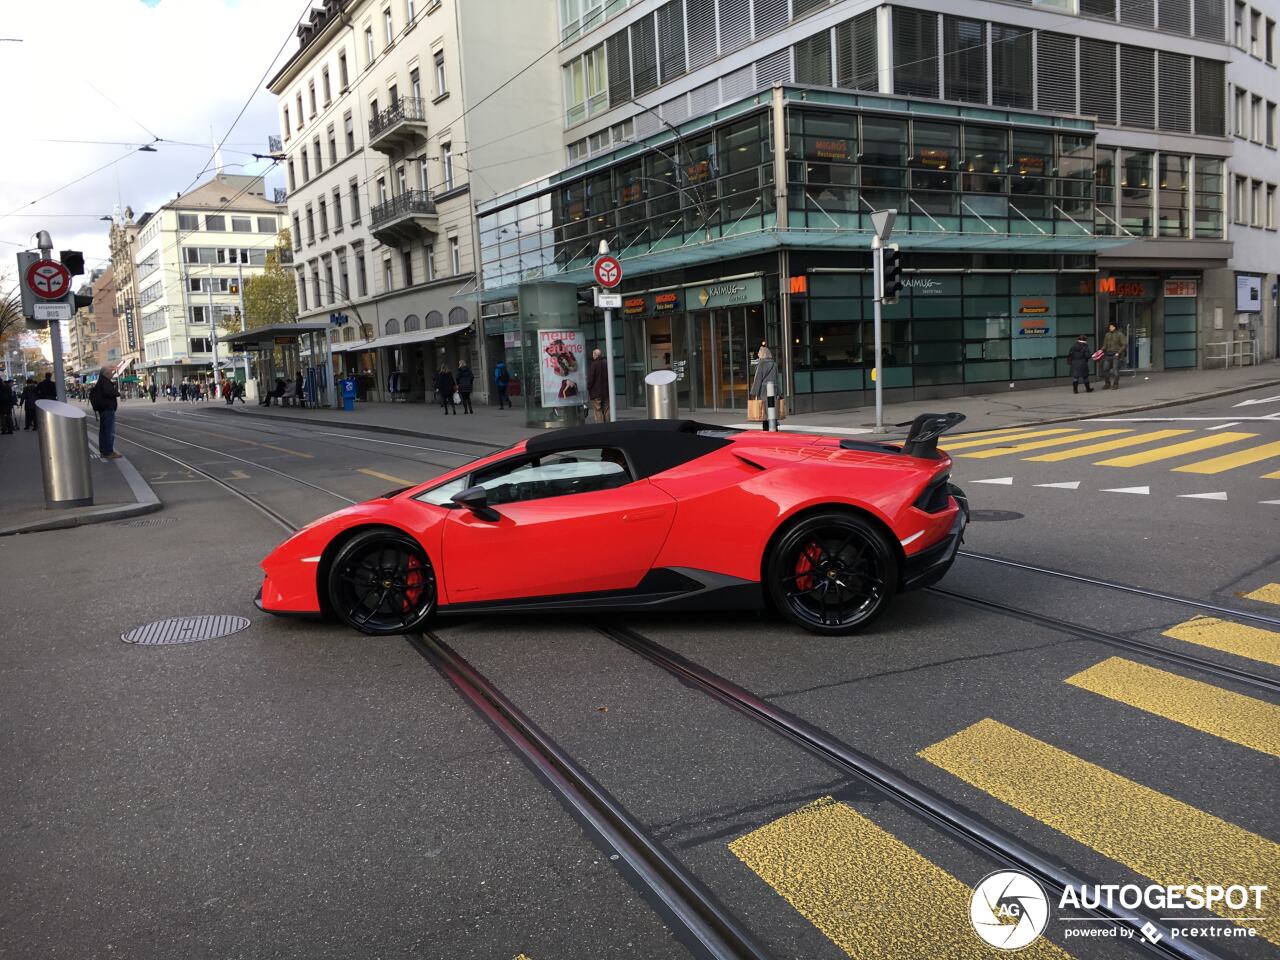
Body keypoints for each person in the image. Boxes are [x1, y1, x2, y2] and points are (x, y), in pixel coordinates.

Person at [89, 365, 121, 459]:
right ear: (106, 374)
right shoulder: (105, 382)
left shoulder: (100, 382)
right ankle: (109, 452)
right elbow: (108, 392)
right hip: (107, 409)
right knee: (109, 431)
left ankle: (103, 451)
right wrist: (117, 393)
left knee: (103, 431)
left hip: (103, 409)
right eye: (110, 372)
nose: (112, 373)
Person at [748, 345, 782, 430]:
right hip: (773, 389)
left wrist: (754, 392)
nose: (758, 354)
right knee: (772, 407)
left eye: (759, 352)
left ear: (763, 354)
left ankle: (766, 427)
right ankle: (774, 425)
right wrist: (779, 392)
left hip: (763, 390)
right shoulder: (774, 364)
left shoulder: (761, 364)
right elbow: (777, 379)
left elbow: (758, 379)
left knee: (764, 409)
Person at [1101, 321, 1127, 389]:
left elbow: (1124, 345)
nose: (1109, 328)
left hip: (1116, 355)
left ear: (1114, 327)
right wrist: (1101, 350)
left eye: (1111, 326)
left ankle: (1115, 384)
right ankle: (1107, 383)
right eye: (1109, 327)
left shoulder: (1120, 334)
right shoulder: (1107, 334)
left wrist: (1118, 352)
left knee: (1115, 370)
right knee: (1105, 369)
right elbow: (1105, 345)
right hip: (1108, 354)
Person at [587, 348, 610, 423]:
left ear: (595, 355)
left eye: (593, 354)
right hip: (606, 391)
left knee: (598, 409)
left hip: (596, 392)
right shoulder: (606, 363)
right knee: (606, 409)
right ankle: (608, 425)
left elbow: (591, 379)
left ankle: (600, 427)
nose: (592, 356)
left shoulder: (594, 364)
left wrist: (588, 387)